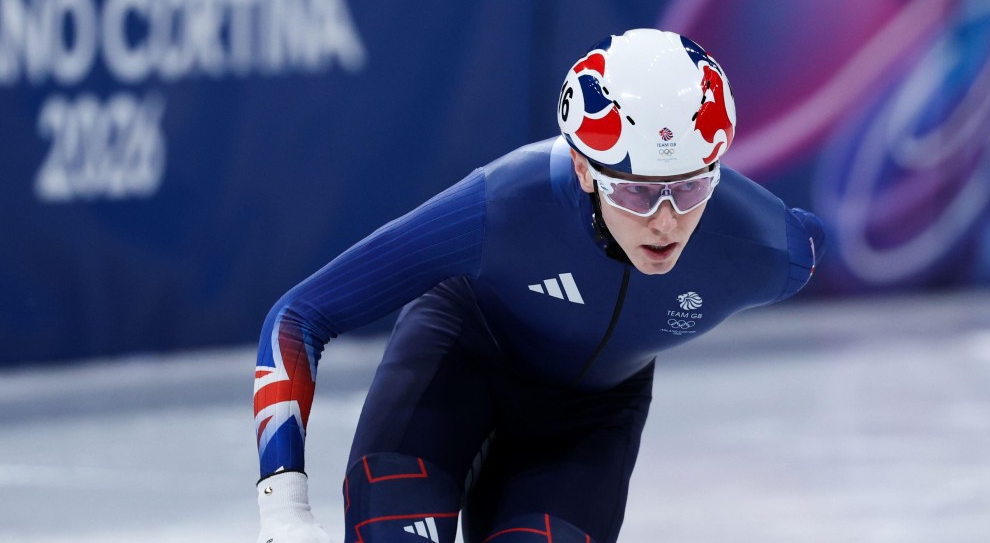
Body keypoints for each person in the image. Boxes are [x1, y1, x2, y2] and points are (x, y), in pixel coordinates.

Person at [253, 28, 825, 543]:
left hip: (585, 426)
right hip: (453, 374)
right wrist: (283, 509)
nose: (665, 220)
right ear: (583, 169)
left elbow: (822, 234)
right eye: (634, 192)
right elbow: (301, 315)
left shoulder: (770, 250)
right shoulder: (504, 203)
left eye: (691, 189)